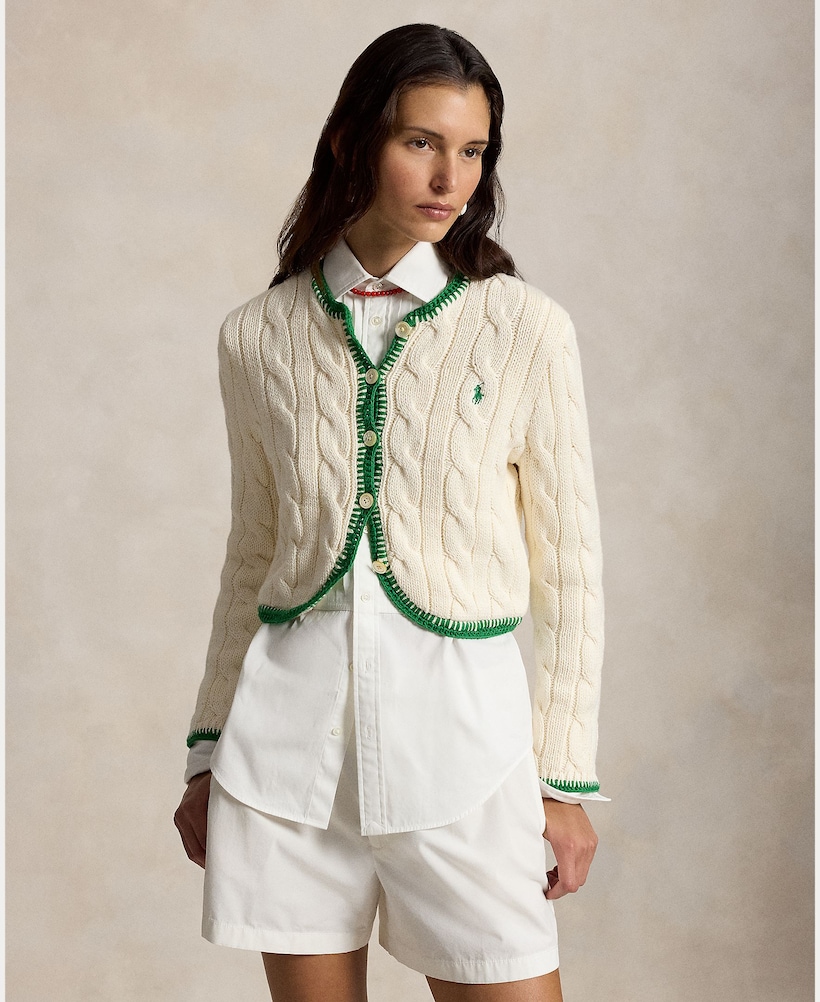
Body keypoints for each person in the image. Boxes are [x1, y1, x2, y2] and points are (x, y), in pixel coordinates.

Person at [174, 23, 606, 1002]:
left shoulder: (523, 328)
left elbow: (572, 568)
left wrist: (564, 781)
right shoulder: (257, 337)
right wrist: (208, 751)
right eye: (421, 142)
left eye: (473, 150)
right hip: (284, 764)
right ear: (352, 141)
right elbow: (252, 555)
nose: (450, 177)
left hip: (465, 753)